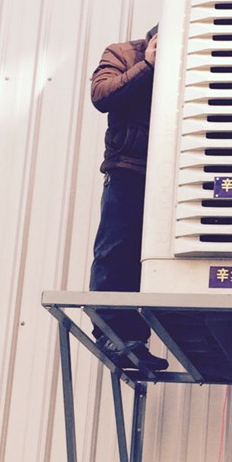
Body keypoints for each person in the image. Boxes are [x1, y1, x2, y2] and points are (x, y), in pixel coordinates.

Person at [89, 24, 168, 372]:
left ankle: (133, 339)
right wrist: (147, 65)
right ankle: (108, 332)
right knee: (115, 250)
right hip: (128, 168)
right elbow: (101, 95)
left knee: (146, 258)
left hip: (171, 176)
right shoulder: (122, 52)